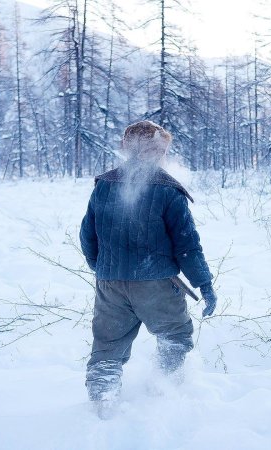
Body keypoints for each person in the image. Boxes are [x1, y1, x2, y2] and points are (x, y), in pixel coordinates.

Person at [79, 120, 217, 418]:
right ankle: (165, 389)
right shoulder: (168, 190)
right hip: (155, 284)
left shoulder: (104, 185)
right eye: (162, 148)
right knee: (175, 335)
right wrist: (204, 284)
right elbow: (187, 245)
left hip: (110, 284)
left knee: (108, 346)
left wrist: (104, 269)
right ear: (155, 150)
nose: (164, 154)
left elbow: (87, 235)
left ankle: (102, 399)